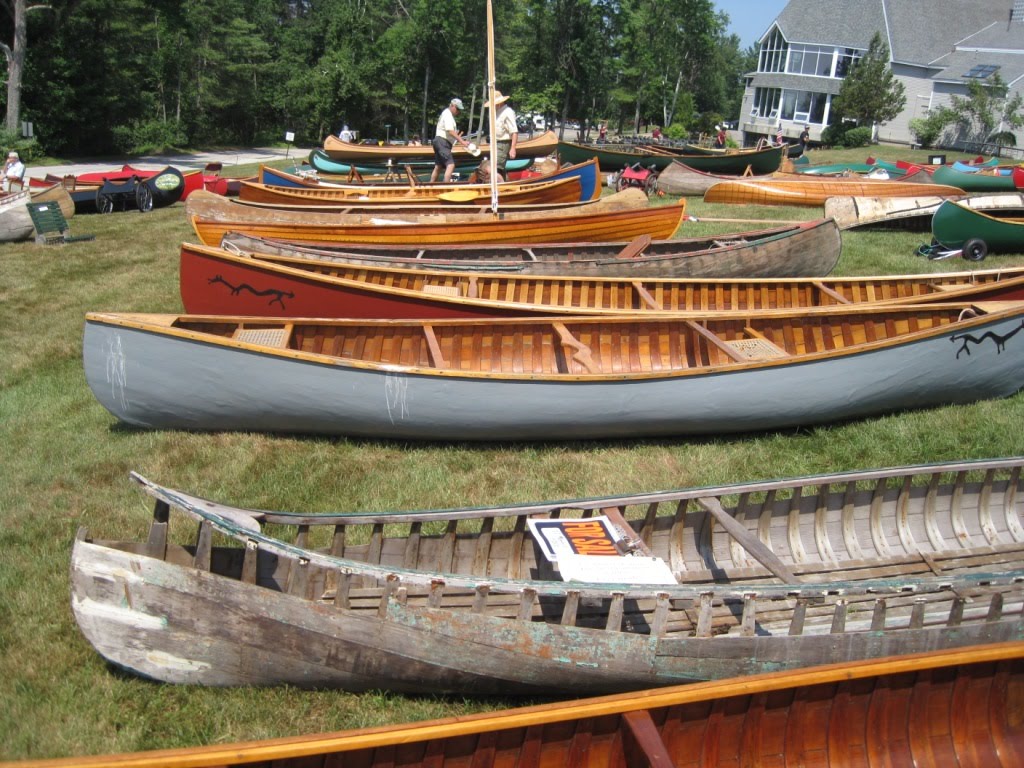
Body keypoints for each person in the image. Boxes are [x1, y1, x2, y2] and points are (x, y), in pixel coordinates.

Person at [431, 97, 471, 182]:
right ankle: (446, 187)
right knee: (450, 165)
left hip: (439, 141)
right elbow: (450, 131)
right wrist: (462, 141)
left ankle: (430, 185)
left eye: (459, 110)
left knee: (438, 166)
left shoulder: (446, 114)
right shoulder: (448, 114)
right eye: (457, 109)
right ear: (452, 105)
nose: (458, 111)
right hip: (443, 142)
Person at [486, 89, 517, 181]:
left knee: (494, 168)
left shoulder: (508, 112)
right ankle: (506, 186)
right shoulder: (496, 112)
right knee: (499, 169)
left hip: (503, 144)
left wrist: (513, 148)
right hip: (495, 143)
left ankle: (500, 187)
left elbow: (514, 131)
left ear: (498, 103)